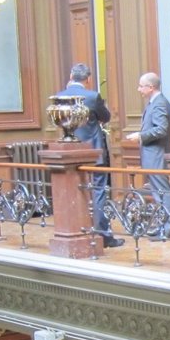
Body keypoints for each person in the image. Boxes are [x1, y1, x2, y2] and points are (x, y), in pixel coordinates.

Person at [60, 63, 122, 248]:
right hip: (94, 153)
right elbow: (106, 117)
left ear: (71, 76)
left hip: (69, 154)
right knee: (98, 192)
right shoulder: (93, 96)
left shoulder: (60, 96)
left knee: (73, 191)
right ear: (88, 79)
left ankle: (76, 232)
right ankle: (103, 235)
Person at [126, 71, 170, 239]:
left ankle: (166, 229)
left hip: (156, 154)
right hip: (153, 154)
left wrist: (140, 136)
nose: (138, 89)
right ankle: (162, 226)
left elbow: (161, 129)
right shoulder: (155, 102)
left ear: (151, 87)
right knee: (157, 192)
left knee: (162, 191)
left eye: (141, 86)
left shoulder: (159, 103)